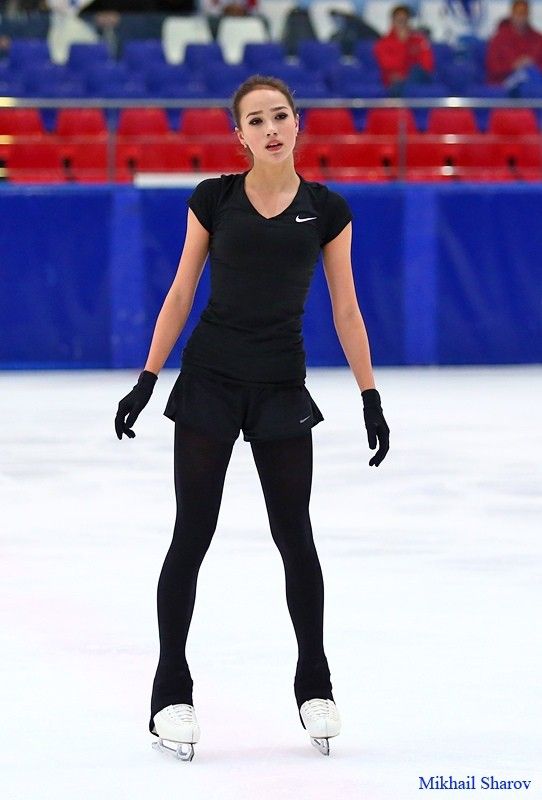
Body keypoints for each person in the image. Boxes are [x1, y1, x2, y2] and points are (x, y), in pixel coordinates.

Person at [115, 74, 390, 761]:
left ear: (298, 125)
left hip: (279, 387)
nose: (271, 129)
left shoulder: (328, 210)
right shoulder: (214, 199)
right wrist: (148, 378)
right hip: (209, 381)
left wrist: (369, 395)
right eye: (257, 120)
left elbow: (347, 309)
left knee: (295, 535)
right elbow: (182, 291)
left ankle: (315, 683)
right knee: (193, 534)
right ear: (239, 135)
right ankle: (170, 690)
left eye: (281, 116)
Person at [374, 4, 434, 94]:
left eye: (405, 21)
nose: (402, 24)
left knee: (417, 72)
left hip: (417, 79)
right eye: (399, 21)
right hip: (394, 83)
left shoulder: (419, 40)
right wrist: (403, 44)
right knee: (398, 85)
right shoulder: (383, 43)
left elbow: (428, 64)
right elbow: (388, 66)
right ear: (393, 22)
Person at [486, 0, 542, 91]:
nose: (521, 18)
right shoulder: (499, 39)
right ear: (512, 14)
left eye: (524, 13)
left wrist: (531, 64)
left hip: (532, 81)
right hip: (505, 83)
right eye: (518, 14)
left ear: (528, 15)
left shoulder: (538, 39)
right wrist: (513, 66)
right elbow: (492, 68)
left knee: (531, 74)